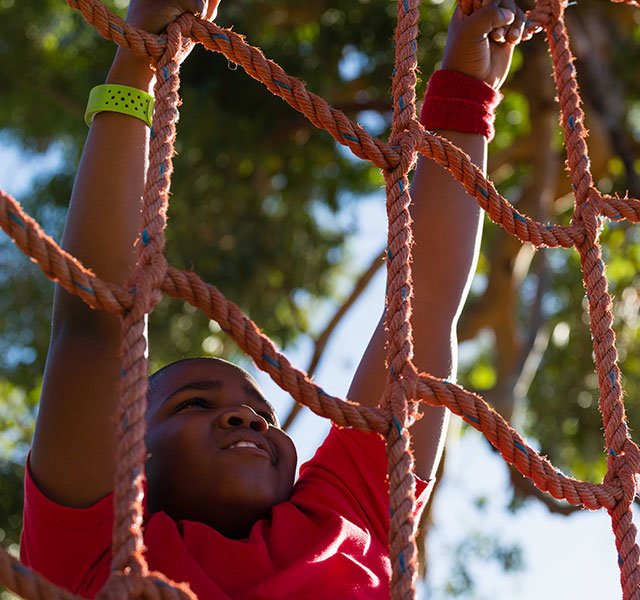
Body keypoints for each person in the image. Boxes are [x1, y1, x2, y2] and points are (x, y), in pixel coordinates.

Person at [20, 0, 527, 597]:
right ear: (127, 454)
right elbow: (95, 319)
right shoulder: (102, 554)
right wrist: (136, 67)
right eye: (190, 405)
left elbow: (425, 306)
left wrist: (465, 91)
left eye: (263, 415)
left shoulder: (342, 520)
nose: (244, 419)